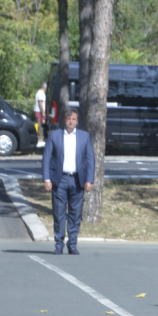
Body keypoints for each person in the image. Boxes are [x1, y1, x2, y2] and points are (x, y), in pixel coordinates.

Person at [42, 109, 95, 255]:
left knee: (75, 213)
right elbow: (47, 157)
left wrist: (89, 180)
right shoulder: (55, 135)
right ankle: (59, 244)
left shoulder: (84, 136)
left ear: (77, 121)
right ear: (64, 121)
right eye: (68, 119)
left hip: (78, 179)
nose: (71, 121)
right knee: (59, 213)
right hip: (59, 180)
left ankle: (72, 244)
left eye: (74, 119)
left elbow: (90, 159)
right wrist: (46, 179)